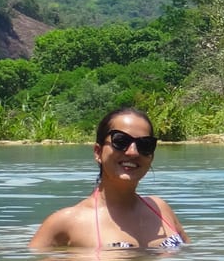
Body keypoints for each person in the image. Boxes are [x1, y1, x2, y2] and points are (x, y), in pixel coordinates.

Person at [29, 107, 189, 250]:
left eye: (145, 145)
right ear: (98, 152)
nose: (133, 152)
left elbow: (191, 259)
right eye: (121, 141)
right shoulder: (67, 222)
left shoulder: (160, 209)